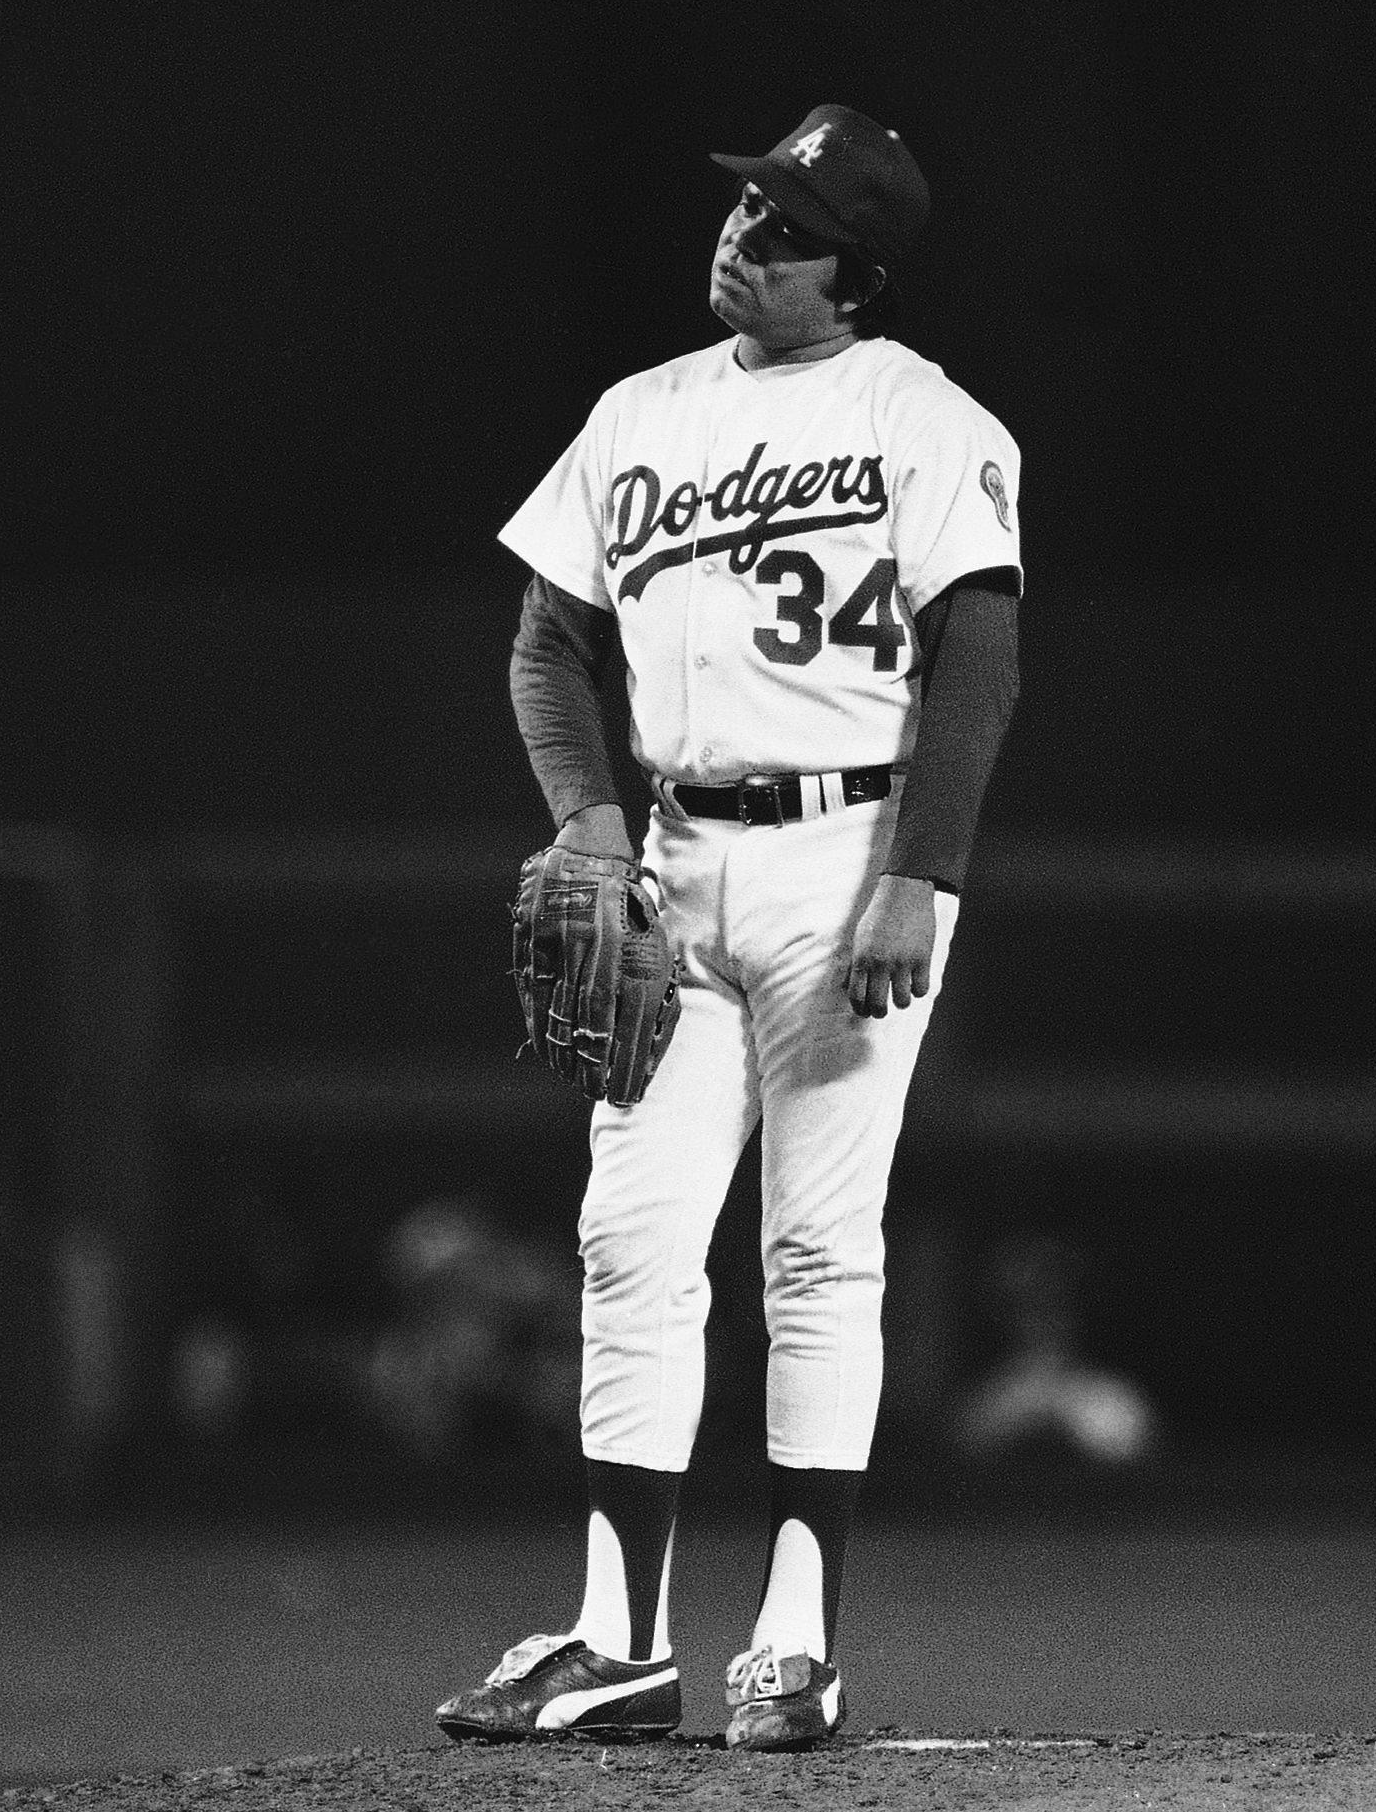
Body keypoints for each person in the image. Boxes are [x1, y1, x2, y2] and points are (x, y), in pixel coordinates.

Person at [434, 105, 1024, 1753]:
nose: (744, 233)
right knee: (632, 1236)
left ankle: (799, 1637)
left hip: (850, 853)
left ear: (858, 268)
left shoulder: (927, 417)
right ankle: (617, 1633)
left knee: (815, 1248)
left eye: (784, 221)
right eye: (747, 204)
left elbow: (978, 658)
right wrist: (591, 820)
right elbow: (547, 645)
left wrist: (928, 870)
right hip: (674, 858)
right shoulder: (639, 413)